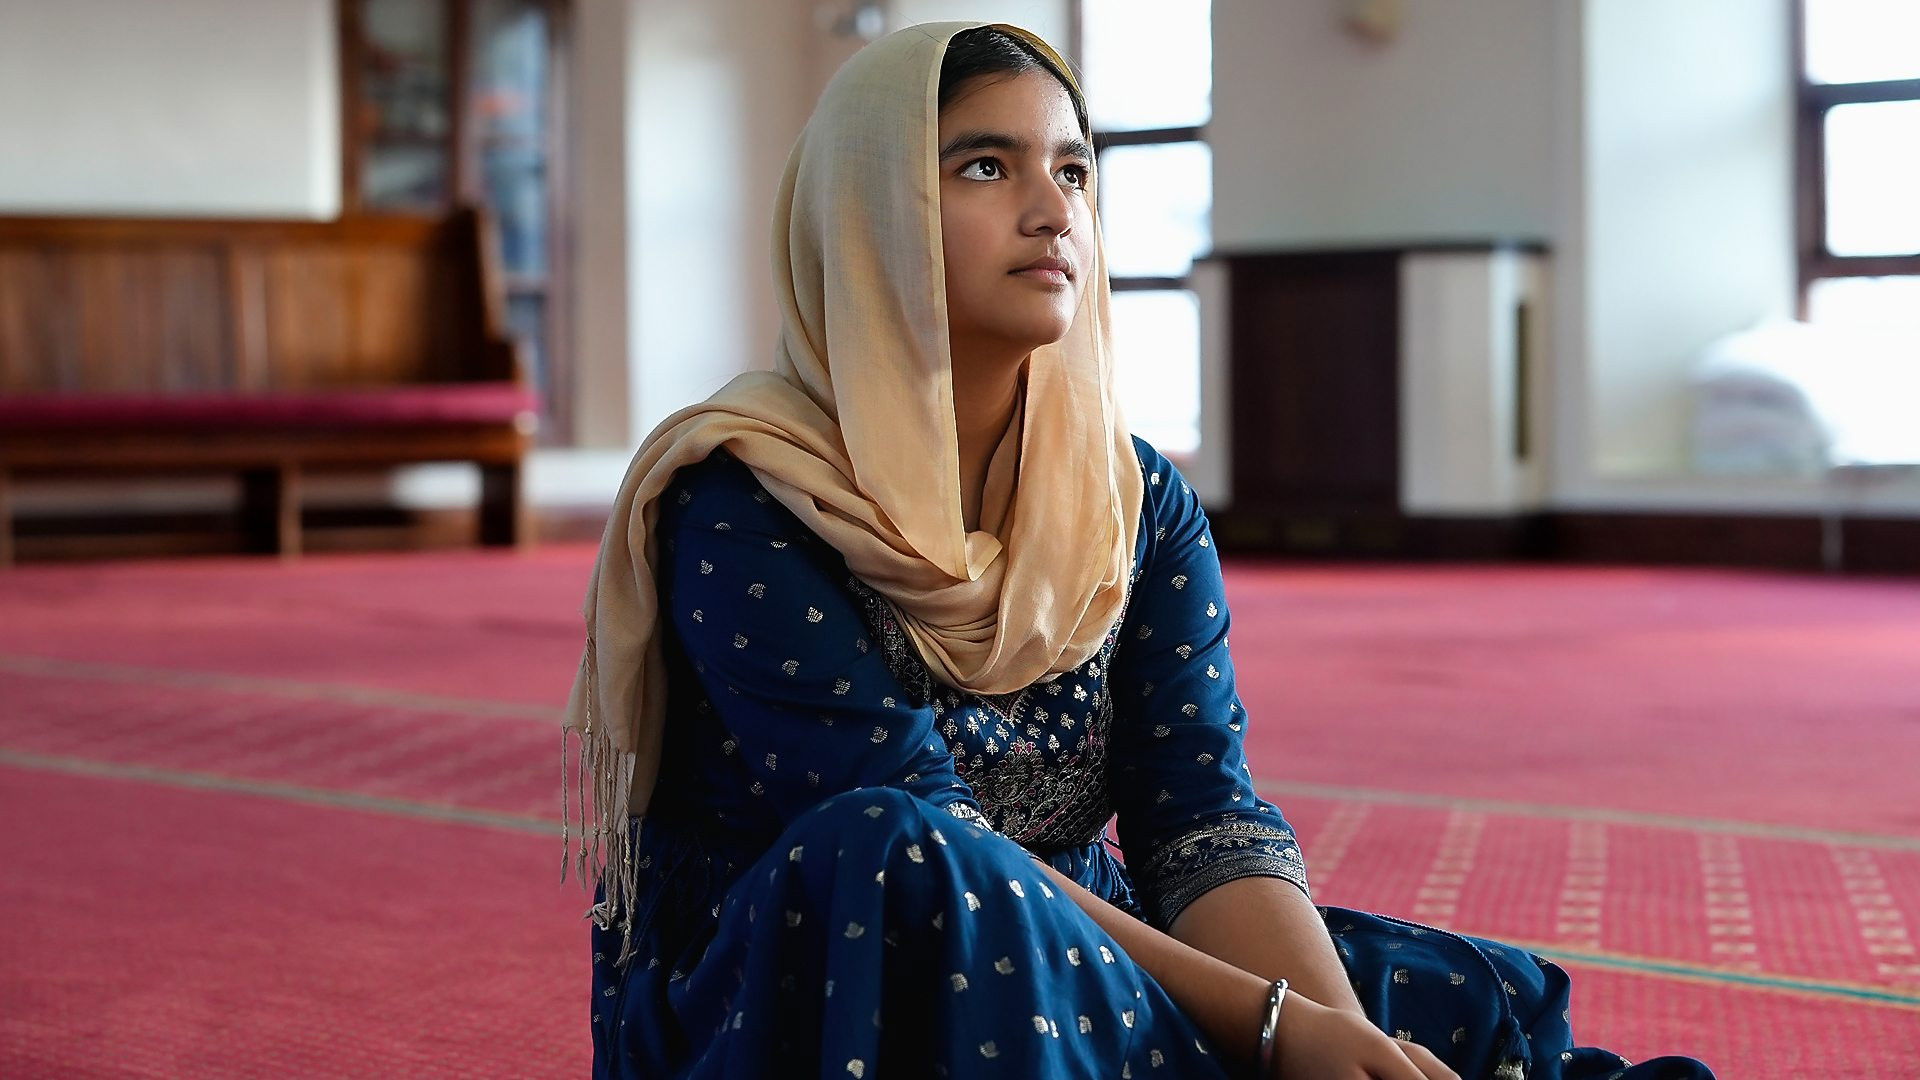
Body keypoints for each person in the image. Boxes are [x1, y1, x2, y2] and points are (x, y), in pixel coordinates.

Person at [563, 21, 1717, 1080]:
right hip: (820, 977)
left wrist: (1326, 1041)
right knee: (904, 852)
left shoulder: (1132, 497)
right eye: (985, 166)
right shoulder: (746, 494)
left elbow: (1199, 816)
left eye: (1071, 169)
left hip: (1081, 937)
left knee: (1429, 1010)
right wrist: (1269, 1032)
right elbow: (926, 833)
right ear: (869, 211)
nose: (1053, 210)